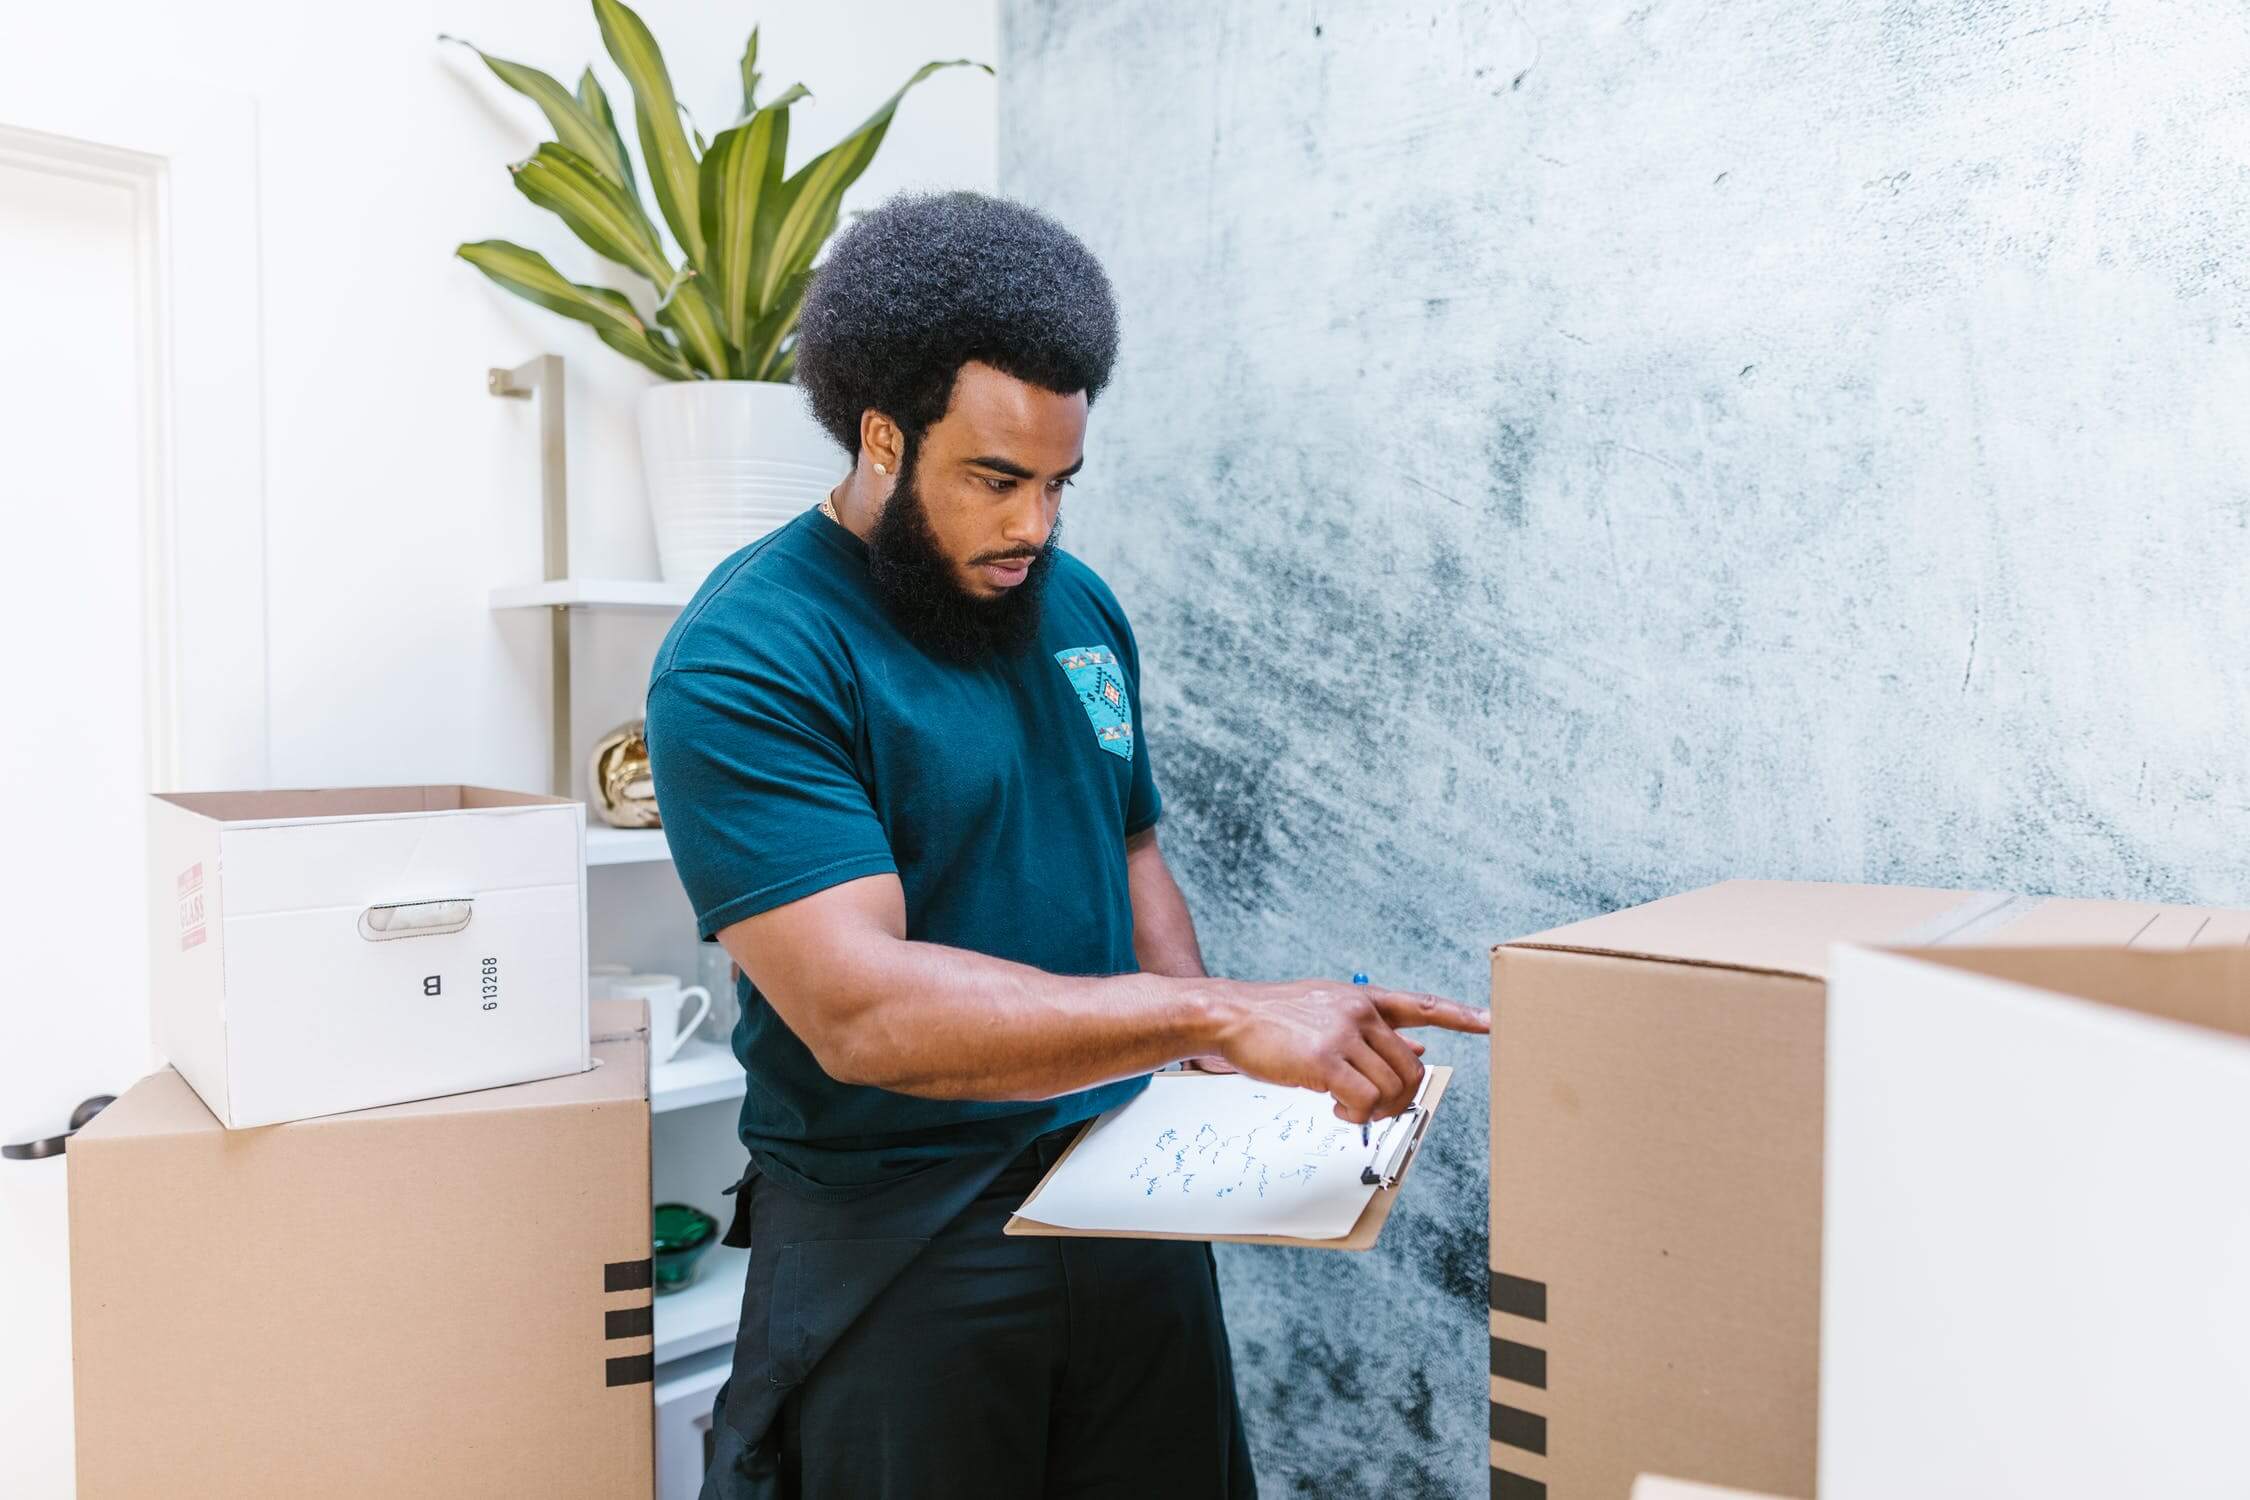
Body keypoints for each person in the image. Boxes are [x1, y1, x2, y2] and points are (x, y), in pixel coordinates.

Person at [644, 190, 1489, 1500]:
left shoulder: (1073, 604)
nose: (1033, 524)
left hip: (1126, 1189)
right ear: (881, 438)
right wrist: (1211, 1006)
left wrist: (1234, 1069)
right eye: (993, 479)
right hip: (903, 1232)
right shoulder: (751, 652)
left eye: (1056, 482)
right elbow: (858, 1011)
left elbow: (1130, 853)